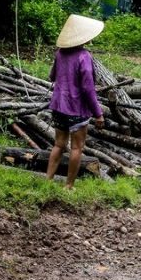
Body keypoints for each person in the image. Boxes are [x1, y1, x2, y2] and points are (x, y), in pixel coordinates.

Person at [46, 14, 106, 189]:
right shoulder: (84, 56)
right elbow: (88, 88)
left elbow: (52, 76)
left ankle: (48, 179)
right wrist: (98, 113)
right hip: (76, 108)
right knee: (76, 148)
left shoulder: (60, 53)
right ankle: (69, 186)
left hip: (58, 106)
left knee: (58, 144)